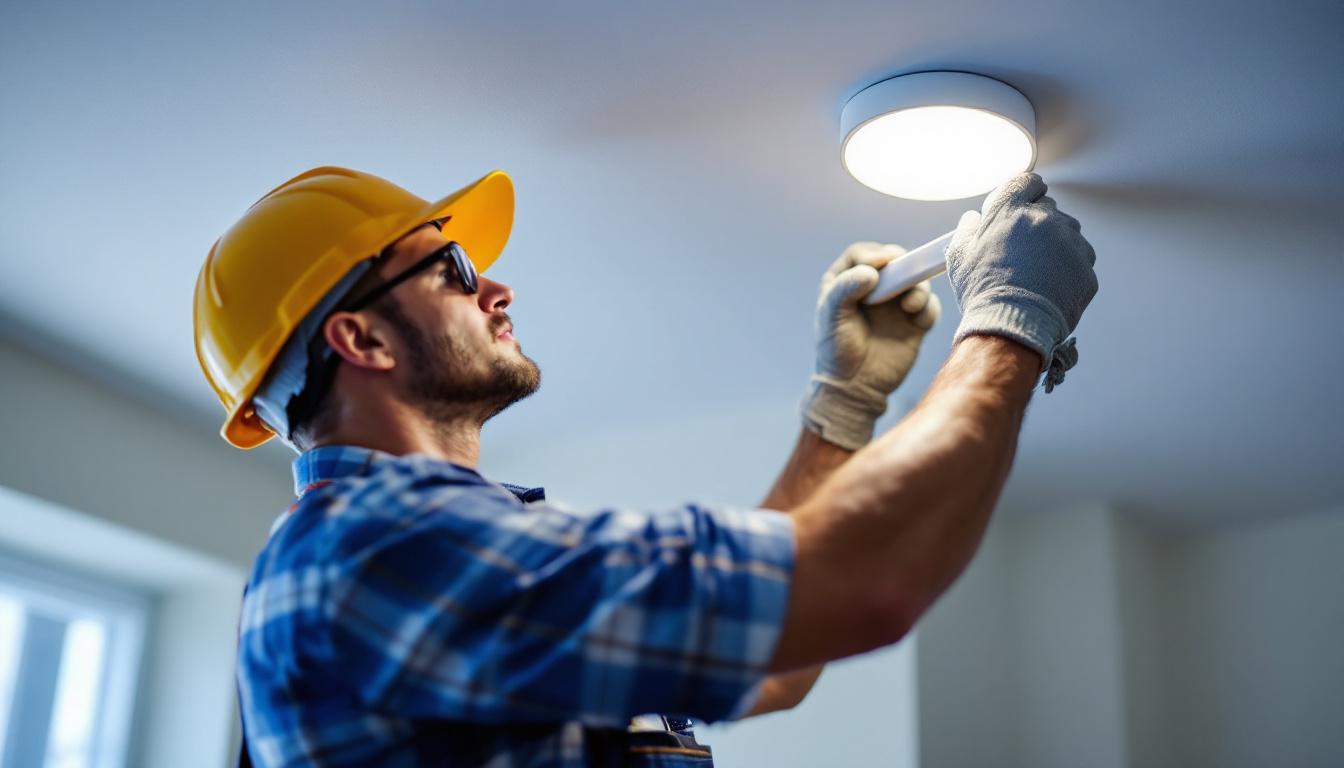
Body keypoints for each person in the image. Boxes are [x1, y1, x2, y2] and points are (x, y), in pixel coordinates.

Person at [194, 167, 1097, 767]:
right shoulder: (373, 556)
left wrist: (843, 407)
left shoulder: (435, 551)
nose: (497, 287)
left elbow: (777, 657)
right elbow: (860, 584)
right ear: (358, 337)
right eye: (454, 267)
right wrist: (1009, 322)